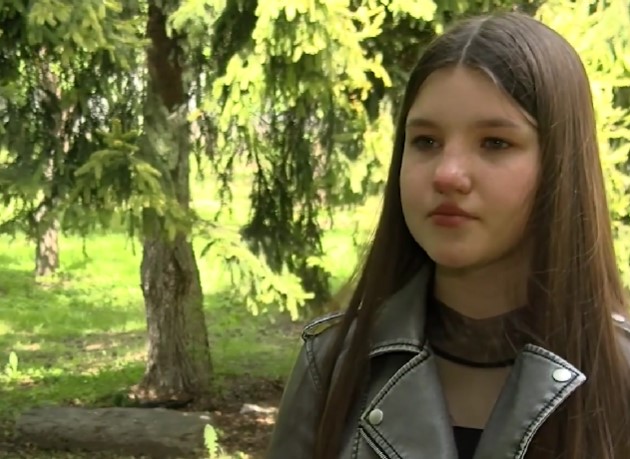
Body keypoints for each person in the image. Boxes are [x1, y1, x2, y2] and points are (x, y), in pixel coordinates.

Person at [266, 11, 630, 459]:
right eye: (426, 141)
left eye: (495, 142)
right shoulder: (334, 364)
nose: (447, 174)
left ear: (560, 165)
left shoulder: (620, 376)